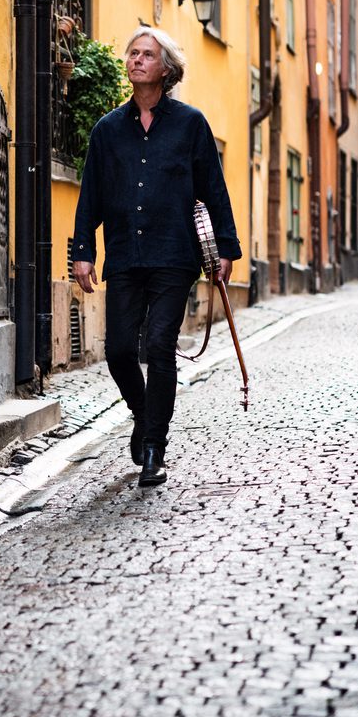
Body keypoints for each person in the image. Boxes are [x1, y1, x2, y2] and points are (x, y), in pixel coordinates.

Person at [72, 26, 242, 487]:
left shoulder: (191, 125)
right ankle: (144, 415)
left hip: (174, 255)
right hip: (125, 254)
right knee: (121, 350)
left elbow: (214, 189)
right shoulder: (107, 131)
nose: (135, 60)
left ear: (165, 69)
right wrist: (83, 250)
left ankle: (153, 448)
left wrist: (226, 247)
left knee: (161, 344)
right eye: (132, 53)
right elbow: (91, 195)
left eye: (146, 54)